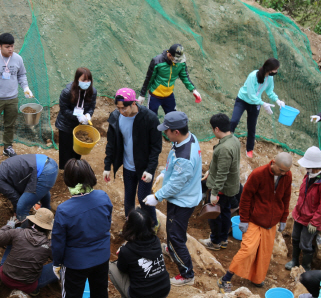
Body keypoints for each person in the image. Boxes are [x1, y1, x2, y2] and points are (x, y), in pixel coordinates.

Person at [52, 159, 112, 298]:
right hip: (101, 256)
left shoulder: (65, 210)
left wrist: (57, 263)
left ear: (68, 181)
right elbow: (106, 223)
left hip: (76, 262)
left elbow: (58, 242)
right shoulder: (103, 197)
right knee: (99, 288)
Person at [218, 152, 293, 293]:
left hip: (271, 222)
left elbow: (286, 197)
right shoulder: (258, 174)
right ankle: (225, 278)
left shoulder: (287, 176)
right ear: (274, 163)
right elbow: (245, 197)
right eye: (281, 170)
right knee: (248, 250)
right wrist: (244, 220)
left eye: (286, 171)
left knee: (264, 253)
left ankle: (257, 278)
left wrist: (283, 218)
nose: (283, 174)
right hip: (254, 219)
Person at [143, 111, 202, 286]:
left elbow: (177, 184)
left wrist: (157, 196)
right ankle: (171, 249)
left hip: (182, 201)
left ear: (176, 131)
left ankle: (186, 274)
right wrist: (163, 174)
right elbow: (175, 172)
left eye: (166, 131)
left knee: (175, 235)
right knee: (175, 230)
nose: (164, 133)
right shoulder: (187, 139)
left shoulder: (185, 157)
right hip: (185, 194)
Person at [103, 88, 162, 229]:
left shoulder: (150, 118)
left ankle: (153, 224)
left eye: (124, 108)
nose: (121, 111)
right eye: (118, 108)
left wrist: (150, 169)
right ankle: (131, 222)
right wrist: (107, 166)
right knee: (128, 196)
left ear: (133, 104)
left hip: (144, 168)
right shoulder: (116, 117)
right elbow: (111, 143)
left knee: (143, 198)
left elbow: (156, 147)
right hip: (128, 165)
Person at [109, 208, 171, 298]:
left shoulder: (126, 251)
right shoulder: (156, 240)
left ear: (129, 227)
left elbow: (122, 269)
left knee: (110, 267)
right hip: (164, 291)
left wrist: (123, 253)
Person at [285, 146, 321, 271]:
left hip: (311, 220)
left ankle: (306, 266)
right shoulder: (309, 175)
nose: (306, 168)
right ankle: (295, 260)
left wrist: (315, 222)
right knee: (295, 238)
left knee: (305, 244)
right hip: (300, 215)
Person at [0, 208, 58, 296]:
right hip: (28, 286)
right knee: (63, 265)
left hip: (5, 277)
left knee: (14, 236)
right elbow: (58, 259)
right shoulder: (49, 244)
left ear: (31, 221)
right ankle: (34, 290)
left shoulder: (17, 232)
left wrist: (9, 226)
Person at [0, 154, 58, 222]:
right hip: (50, 163)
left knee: (22, 206)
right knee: (40, 189)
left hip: (45, 171)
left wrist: (17, 212)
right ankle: (47, 216)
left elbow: (14, 196)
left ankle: (26, 235)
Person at [199, 113, 241, 250]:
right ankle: (223, 240)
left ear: (216, 129)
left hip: (222, 188)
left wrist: (214, 193)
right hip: (231, 187)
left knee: (214, 215)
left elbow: (222, 173)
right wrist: (211, 170)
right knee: (225, 212)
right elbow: (224, 165)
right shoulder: (234, 140)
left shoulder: (224, 148)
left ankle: (215, 242)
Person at [230, 58, 285, 158]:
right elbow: (251, 95)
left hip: (255, 104)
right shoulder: (253, 76)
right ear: (269, 68)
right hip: (243, 100)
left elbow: (270, 92)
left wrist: (277, 101)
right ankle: (227, 141)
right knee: (234, 121)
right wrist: (263, 104)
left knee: (252, 127)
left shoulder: (270, 78)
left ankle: (249, 149)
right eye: (275, 70)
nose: (276, 72)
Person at [137, 43, 201, 114]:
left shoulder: (181, 62)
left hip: (169, 95)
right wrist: (142, 95)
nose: (178, 61)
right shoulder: (157, 61)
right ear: (169, 55)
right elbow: (149, 78)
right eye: (176, 59)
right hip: (154, 95)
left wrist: (193, 90)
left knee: (173, 117)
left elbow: (184, 76)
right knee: (152, 118)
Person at [54, 67, 97, 168]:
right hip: (66, 125)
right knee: (66, 151)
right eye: (83, 80)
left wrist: (88, 115)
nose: (86, 82)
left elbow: (91, 107)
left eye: (88, 80)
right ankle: (66, 171)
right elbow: (64, 110)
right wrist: (77, 116)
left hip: (80, 126)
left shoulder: (92, 91)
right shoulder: (67, 92)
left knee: (78, 150)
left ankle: (75, 169)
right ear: (77, 79)